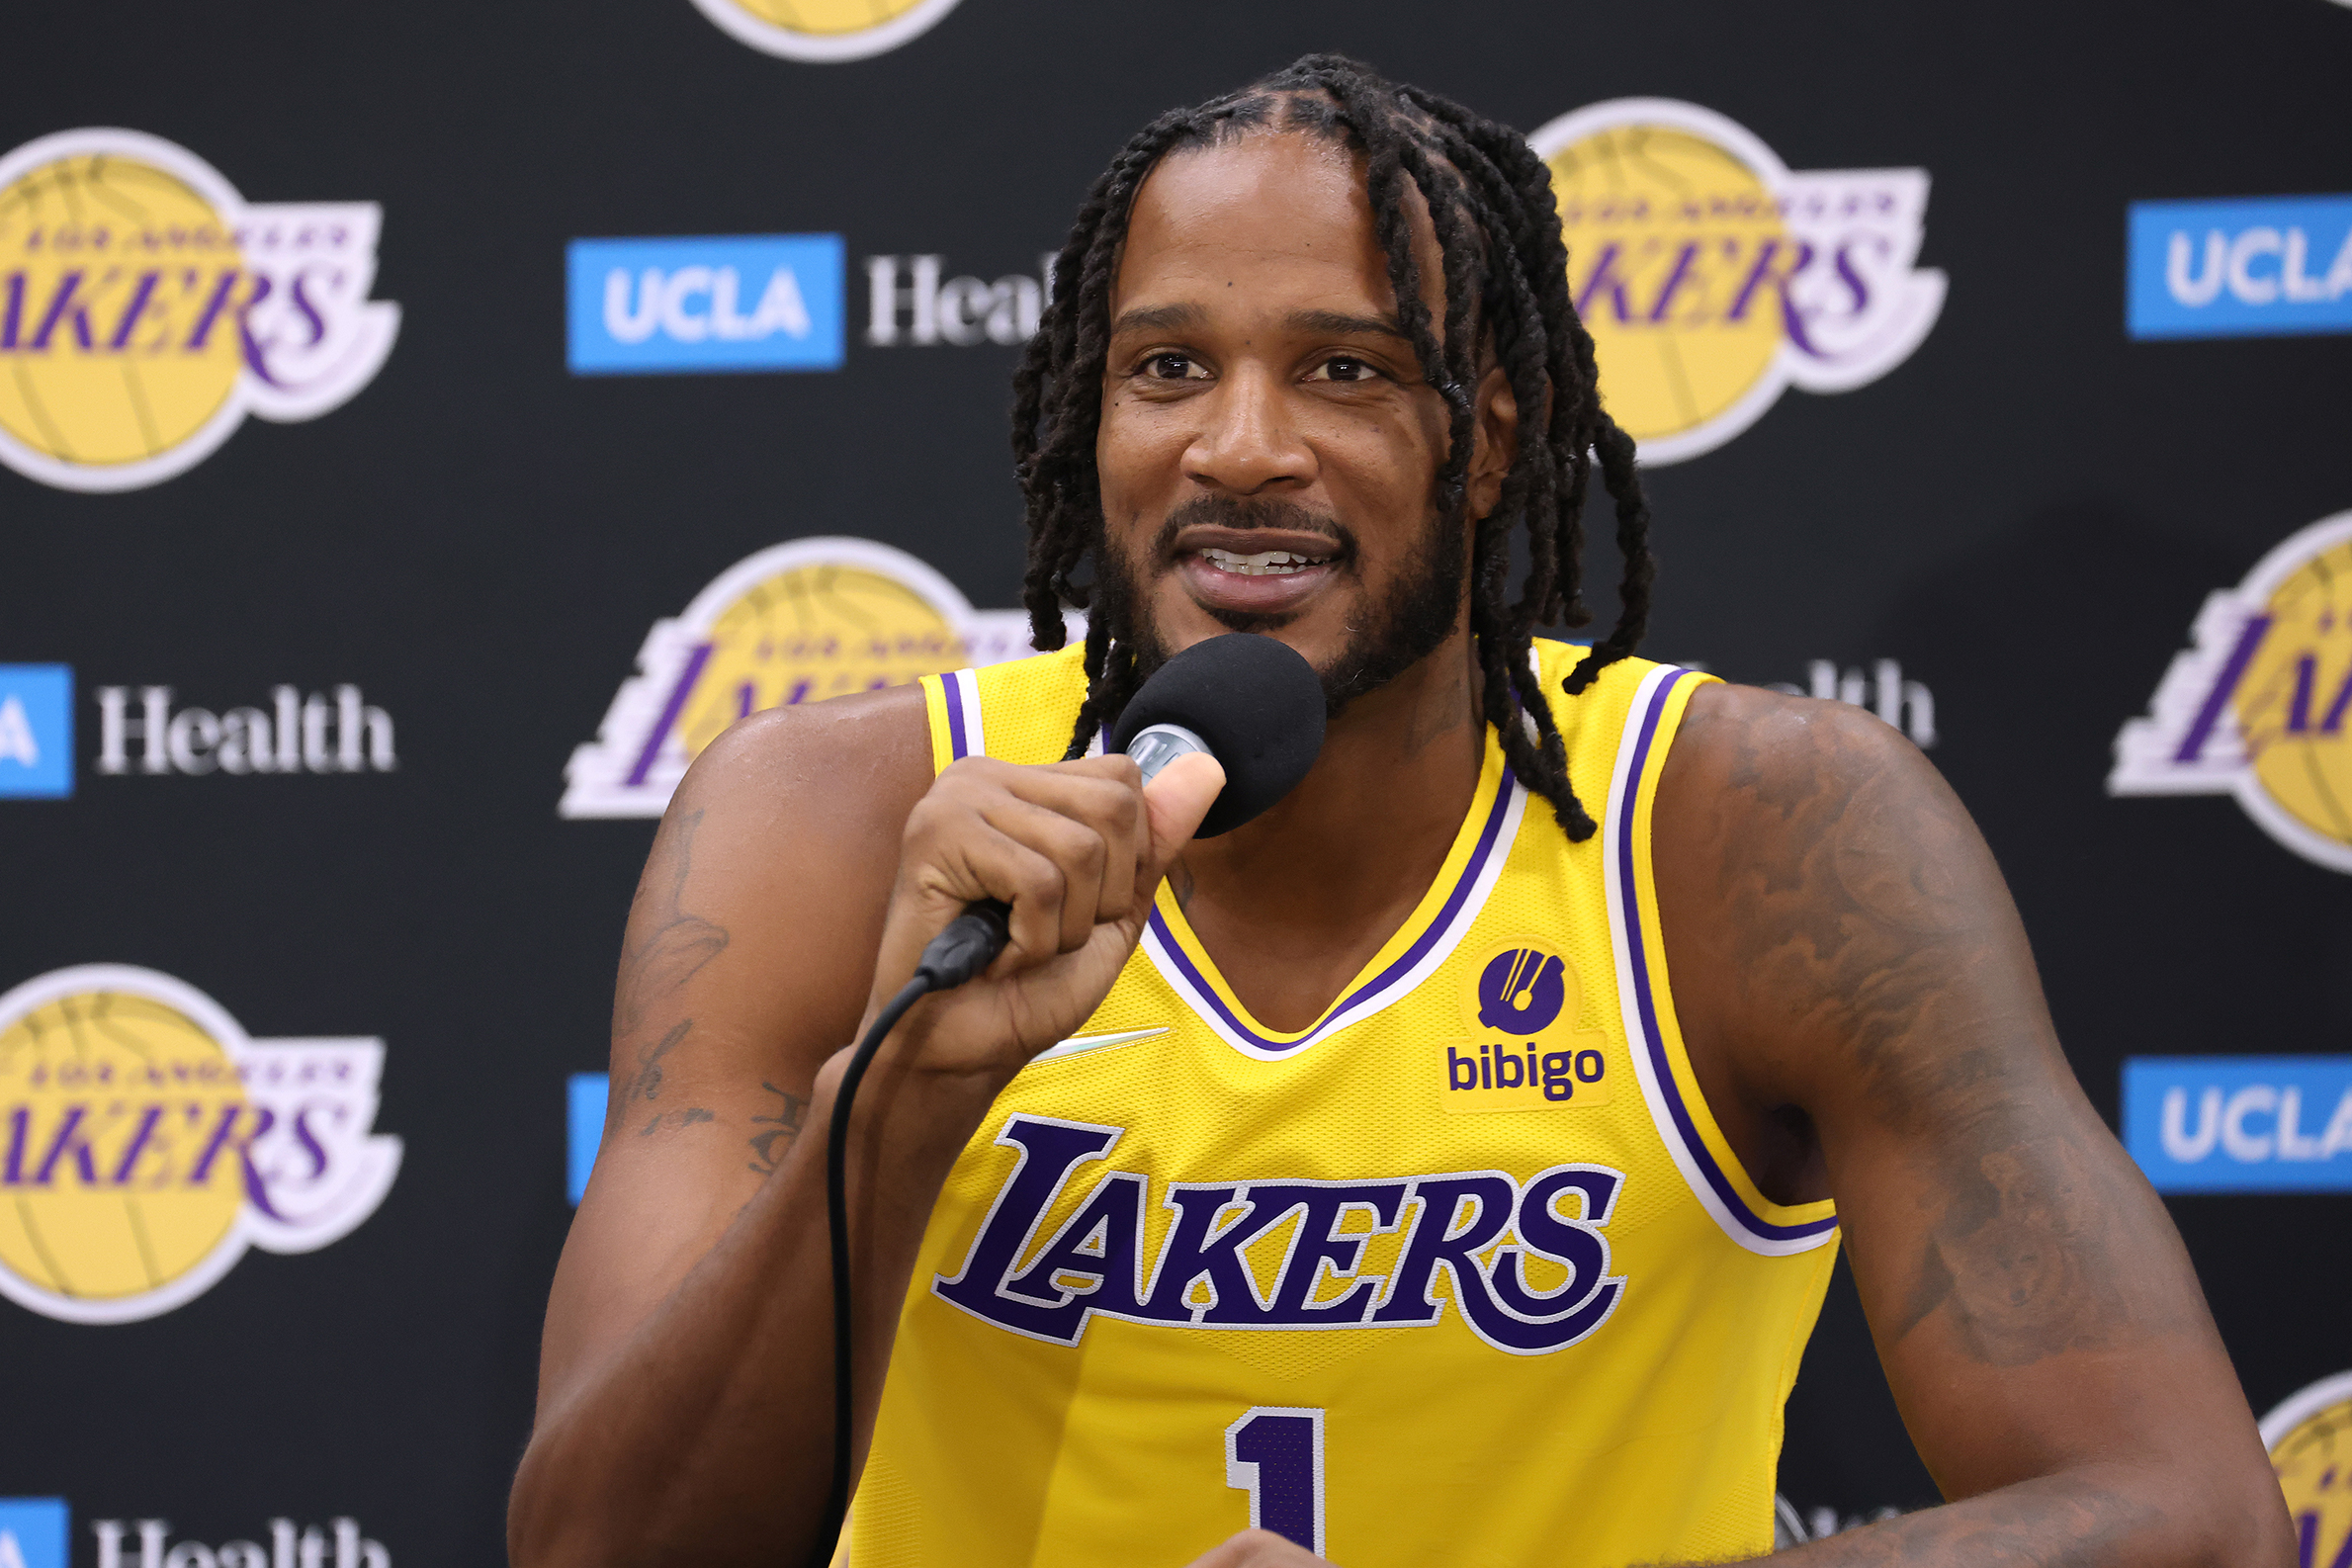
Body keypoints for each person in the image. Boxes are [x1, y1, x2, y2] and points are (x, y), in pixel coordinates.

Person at [508, 56, 2293, 1568]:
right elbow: (598, 1545)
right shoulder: (837, 823)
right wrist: (894, 1109)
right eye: (1168, 369)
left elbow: (2187, 1506)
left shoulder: (1752, 832)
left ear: (1492, 436)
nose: (1241, 446)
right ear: (1089, 418)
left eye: (1346, 370)